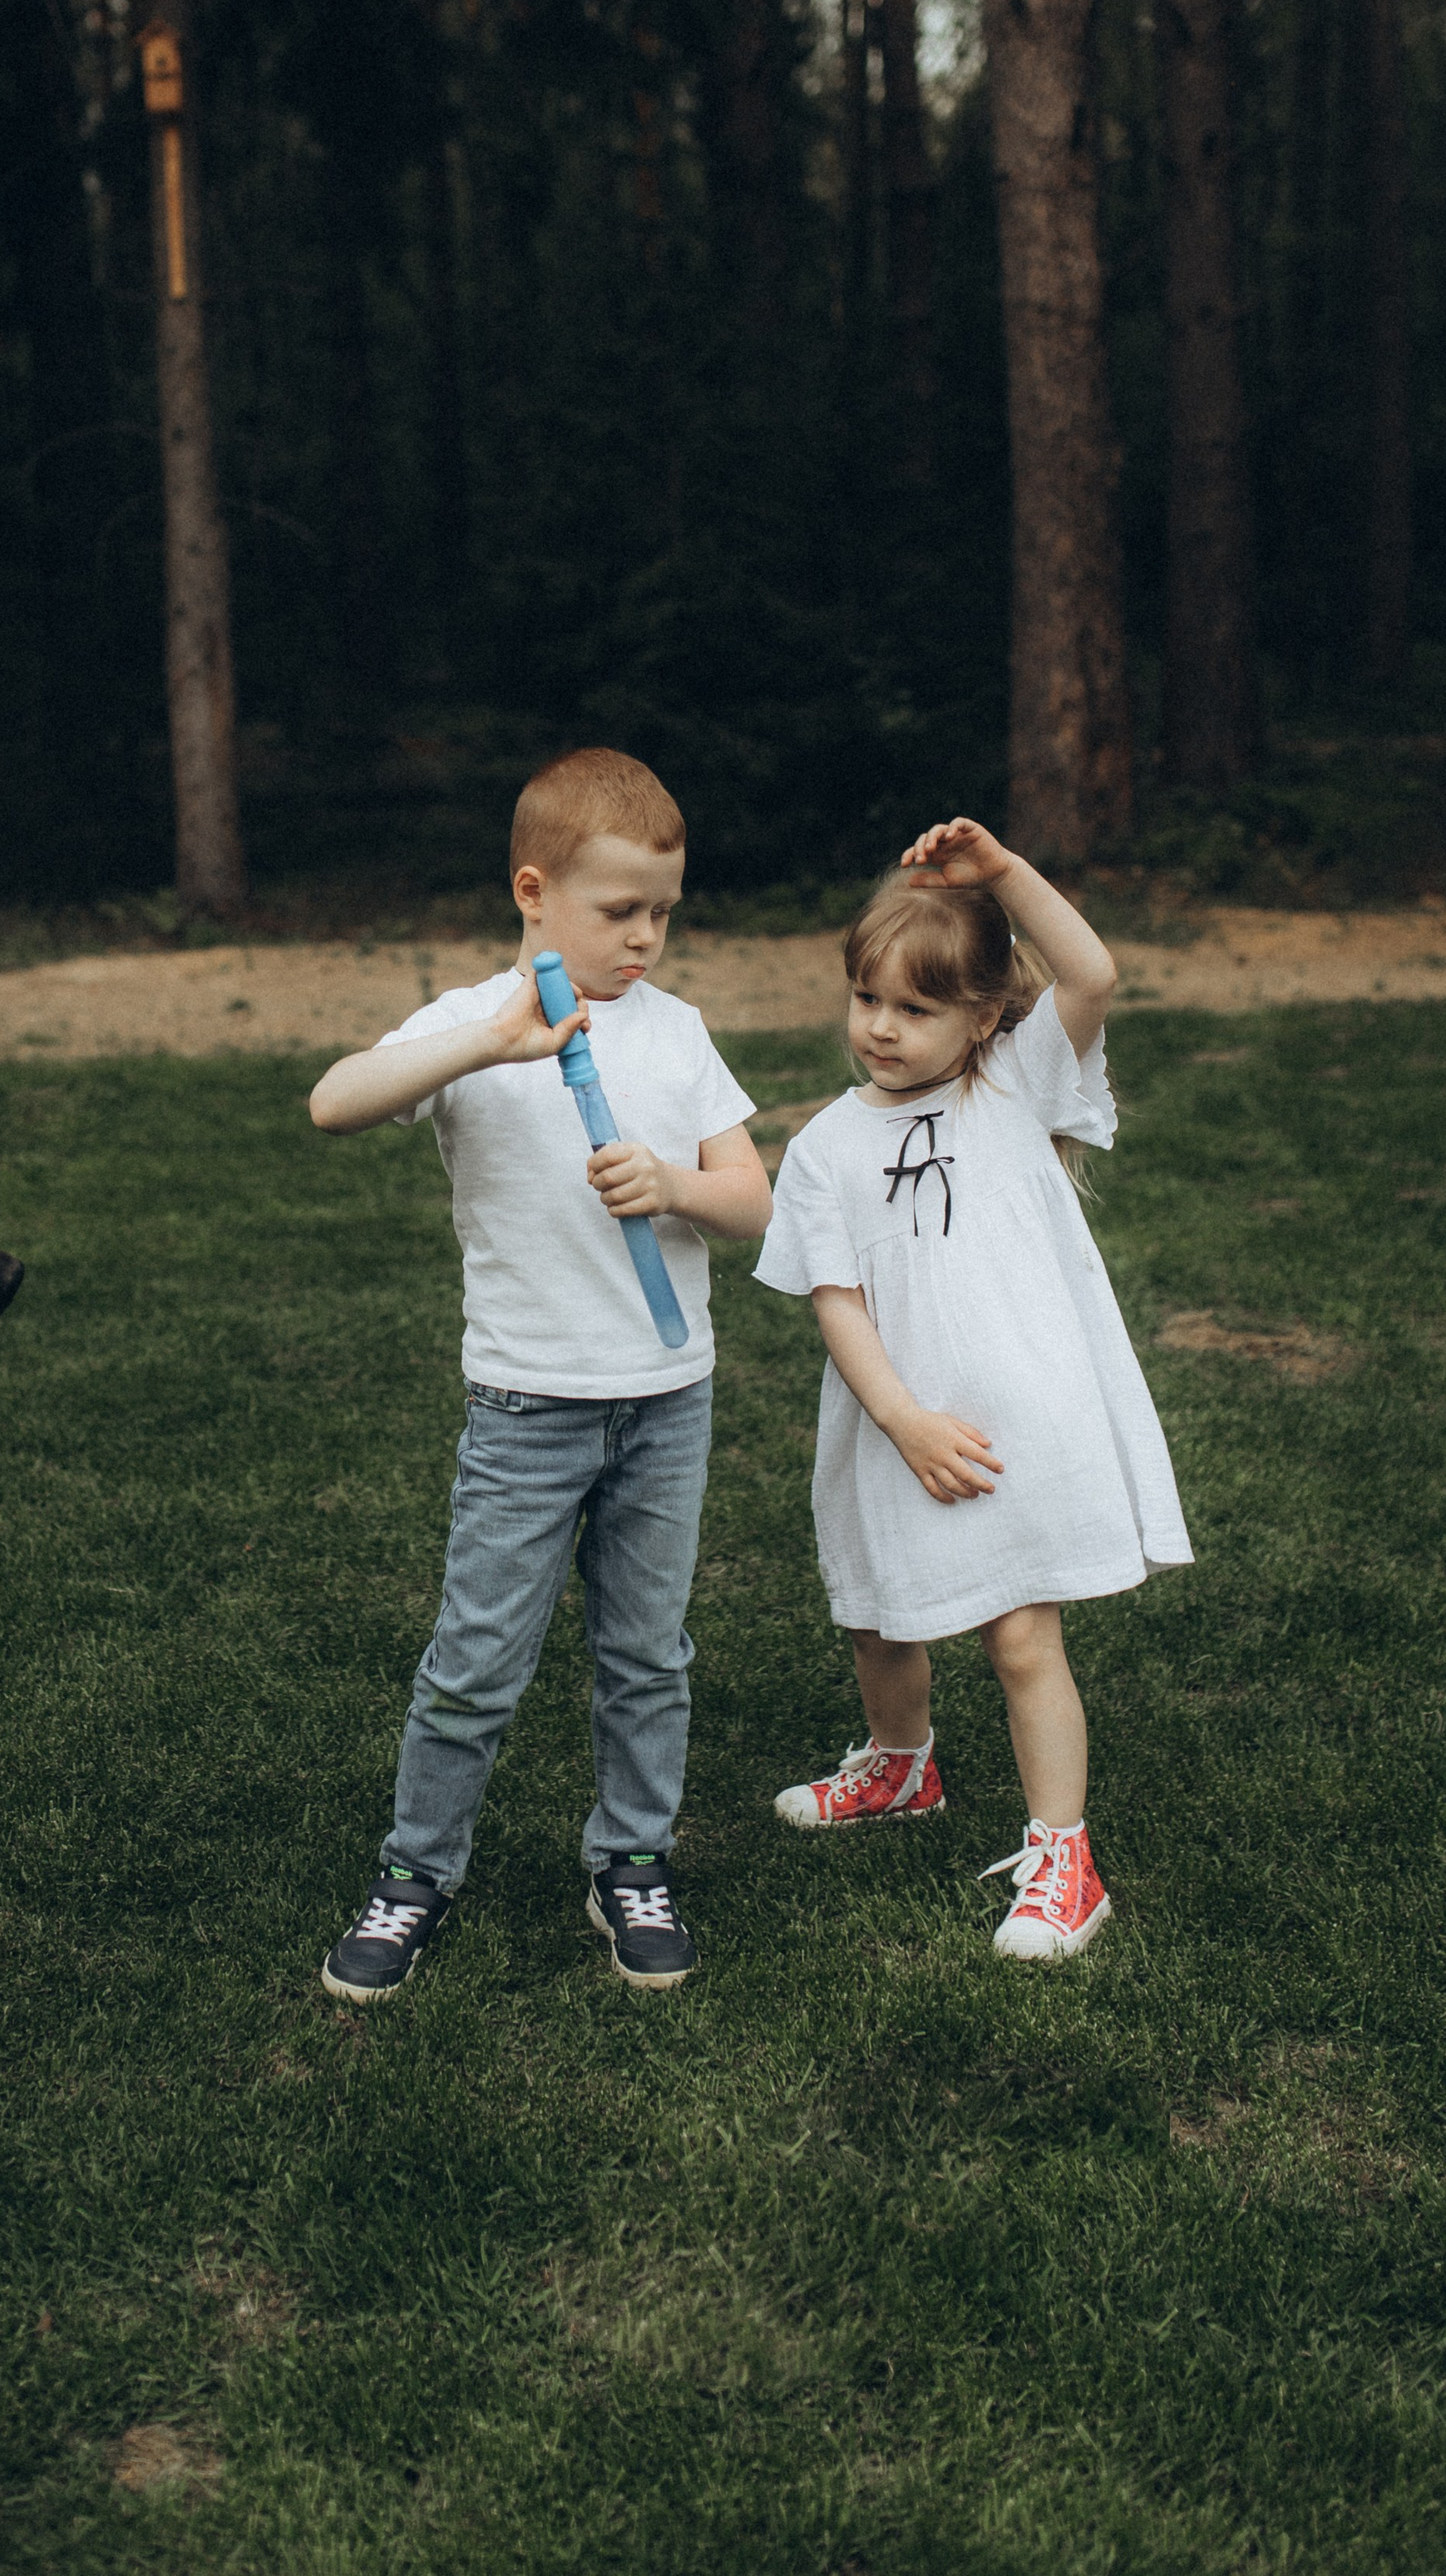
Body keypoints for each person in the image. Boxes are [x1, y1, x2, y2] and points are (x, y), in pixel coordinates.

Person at [309, 748, 773, 2001]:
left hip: (668, 1400)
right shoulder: (477, 1024)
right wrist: (481, 1045)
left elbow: (758, 1202)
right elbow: (334, 1103)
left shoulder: (675, 1034)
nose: (648, 939)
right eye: (622, 911)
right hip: (526, 1406)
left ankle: (632, 1859)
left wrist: (676, 1185)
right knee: (476, 1658)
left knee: (647, 1655)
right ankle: (416, 1874)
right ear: (534, 890)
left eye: (664, 912)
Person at [754, 817, 1191, 1958]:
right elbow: (835, 1299)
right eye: (866, 1001)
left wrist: (1002, 876)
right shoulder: (824, 1149)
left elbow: (1093, 971)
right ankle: (902, 1769)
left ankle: (1065, 1861)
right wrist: (899, 1420)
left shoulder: (1017, 1084)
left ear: (986, 1015)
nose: (880, 1031)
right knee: (875, 1609)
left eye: (915, 1009)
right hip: (892, 1418)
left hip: (1012, 1422)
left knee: (1018, 1632)